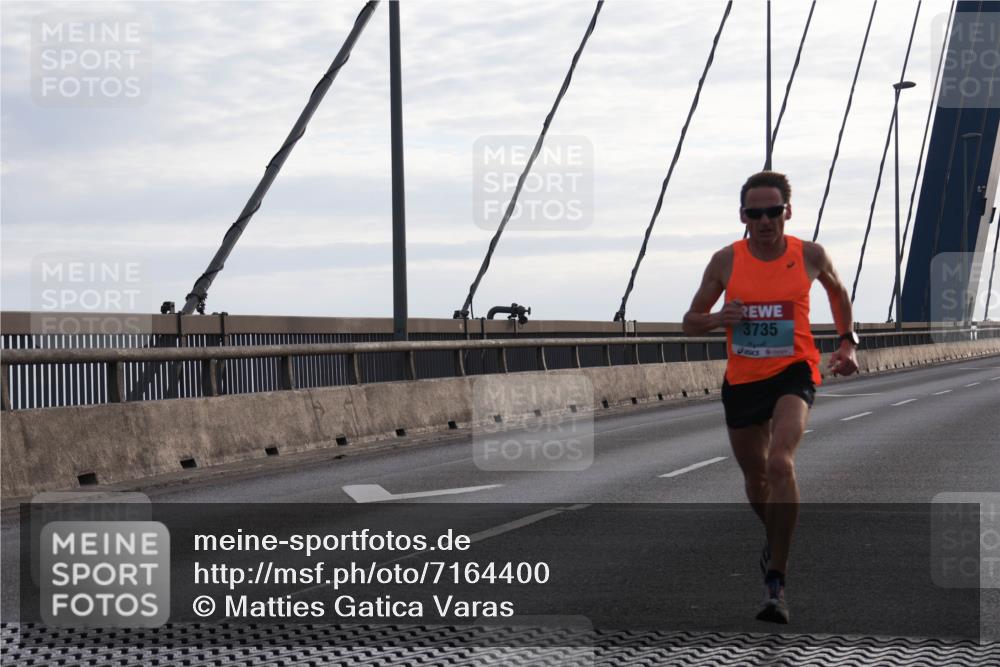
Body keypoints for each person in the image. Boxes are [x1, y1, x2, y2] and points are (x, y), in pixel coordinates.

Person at [682, 171, 859, 623]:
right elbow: (690, 320)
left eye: (773, 211)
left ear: (788, 212)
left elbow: (838, 292)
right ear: (743, 216)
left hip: (793, 373)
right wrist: (721, 317)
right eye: (755, 213)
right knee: (757, 482)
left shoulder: (810, 255)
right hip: (743, 381)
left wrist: (846, 343)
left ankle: (776, 578)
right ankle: (778, 540)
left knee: (781, 462)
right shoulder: (726, 261)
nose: (765, 221)